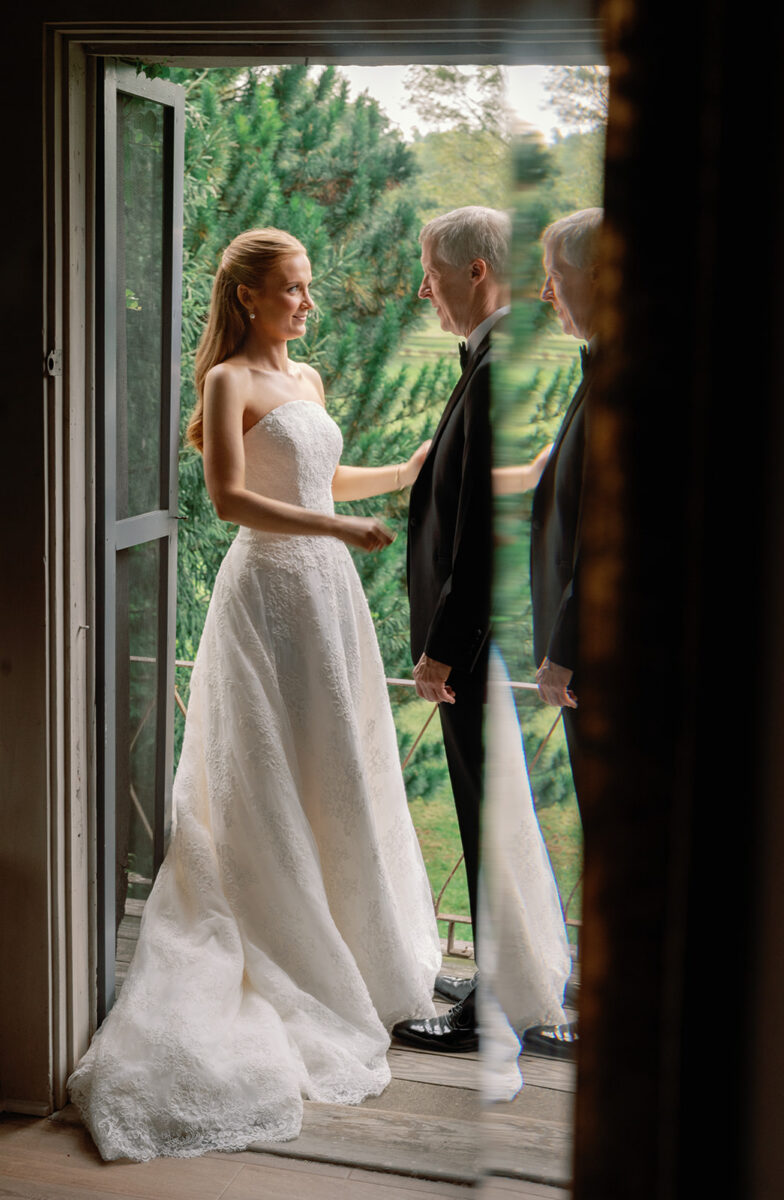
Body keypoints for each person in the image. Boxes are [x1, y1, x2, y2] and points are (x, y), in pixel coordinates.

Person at [68, 228, 442, 1161]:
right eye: (291, 290)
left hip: (326, 593)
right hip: (268, 591)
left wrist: (396, 478)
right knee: (272, 766)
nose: (306, 303)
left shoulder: (308, 378)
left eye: (307, 287)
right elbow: (233, 500)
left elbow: (315, 471)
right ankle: (282, 926)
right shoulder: (227, 382)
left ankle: (357, 935)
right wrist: (335, 527)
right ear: (247, 298)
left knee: (337, 759)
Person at [392, 206, 507, 1052]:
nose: (423, 289)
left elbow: (481, 533)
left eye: (431, 272)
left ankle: (491, 1008)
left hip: (474, 648)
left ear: (473, 271)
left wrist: (441, 645)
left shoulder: (500, 367)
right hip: (478, 643)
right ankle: (509, 979)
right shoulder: (490, 360)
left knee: (485, 818)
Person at [524, 206, 603, 1059]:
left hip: (598, 657)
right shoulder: (597, 367)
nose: (548, 292)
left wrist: (564, 648)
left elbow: (609, 529)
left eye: (557, 275)